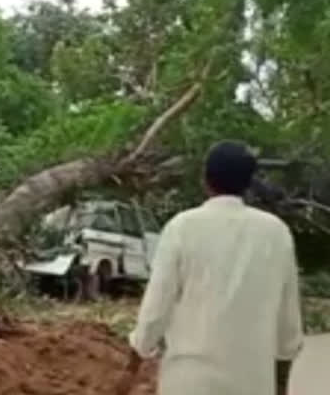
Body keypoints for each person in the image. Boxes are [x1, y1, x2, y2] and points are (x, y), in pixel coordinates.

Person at [117, 141, 304, 395]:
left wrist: (131, 368)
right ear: (249, 183)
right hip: (251, 383)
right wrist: (281, 386)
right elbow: (288, 323)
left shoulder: (182, 228)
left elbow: (156, 308)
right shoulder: (276, 233)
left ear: (205, 180)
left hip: (189, 381)